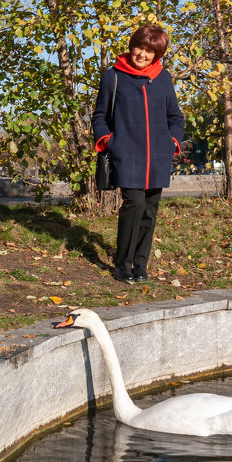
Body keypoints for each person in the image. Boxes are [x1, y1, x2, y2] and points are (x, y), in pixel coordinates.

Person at [91, 24, 185, 283]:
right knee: (134, 205)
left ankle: (140, 264)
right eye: (139, 47)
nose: (142, 54)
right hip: (127, 154)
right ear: (131, 46)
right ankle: (122, 263)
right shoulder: (113, 76)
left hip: (158, 157)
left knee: (150, 209)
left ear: (158, 54)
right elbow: (99, 116)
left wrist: (172, 142)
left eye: (149, 50)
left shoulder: (163, 78)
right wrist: (110, 141)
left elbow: (175, 117)